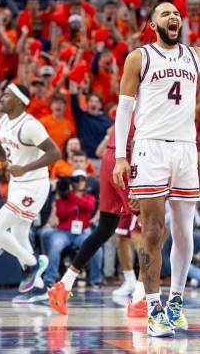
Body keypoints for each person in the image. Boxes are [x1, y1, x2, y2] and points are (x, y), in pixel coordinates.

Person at [112, 2, 200, 337]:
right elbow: (123, 110)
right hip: (151, 147)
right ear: (152, 24)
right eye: (165, 13)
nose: (174, 17)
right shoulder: (140, 57)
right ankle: (152, 307)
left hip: (186, 150)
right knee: (151, 232)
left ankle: (175, 301)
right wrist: (121, 156)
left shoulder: (196, 55)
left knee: (184, 231)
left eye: (176, 13)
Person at [48, 112, 146, 318]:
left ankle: (64, 284)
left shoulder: (128, 100)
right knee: (151, 229)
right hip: (127, 160)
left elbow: (113, 119)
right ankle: (140, 297)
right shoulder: (148, 99)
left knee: (105, 229)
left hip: (109, 159)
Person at [0, 84, 61, 303]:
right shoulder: (4, 122)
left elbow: (54, 152)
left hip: (34, 185)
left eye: (6, 96)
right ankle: (37, 289)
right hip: (17, 184)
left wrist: (26, 168)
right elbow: (5, 153)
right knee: (18, 235)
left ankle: (33, 263)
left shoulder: (30, 126)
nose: (1, 99)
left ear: (18, 101)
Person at [40, 170, 102, 288]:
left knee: (96, 249)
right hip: (63, 232)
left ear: (86, 182)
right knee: (55, 247)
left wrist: (71, 196)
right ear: (72, 182)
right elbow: (61, 215)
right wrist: (66, 196)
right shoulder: (62, 197)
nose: (79, 183)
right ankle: (49, 279)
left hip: (82, 232)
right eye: (76, 180)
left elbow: (88, 208)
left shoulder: (89, 197)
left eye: (82, 180)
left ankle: (96, 280)